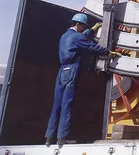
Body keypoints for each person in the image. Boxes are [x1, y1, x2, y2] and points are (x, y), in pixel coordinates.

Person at [45, 13, 120, 148]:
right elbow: (91, 46)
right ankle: (62, 138)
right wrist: (108, 53)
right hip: (72, 70)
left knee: (57, 105)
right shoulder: (77, 37)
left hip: (62, 72)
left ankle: (49, 137)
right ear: (78, 25)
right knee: (67, 104)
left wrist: (92, 30)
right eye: (83, 26)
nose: (83, 28)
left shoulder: (65, 36)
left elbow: (80, 38)